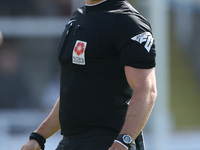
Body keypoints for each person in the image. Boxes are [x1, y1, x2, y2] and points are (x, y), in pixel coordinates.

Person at [21, 0, 157, 150]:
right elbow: (73, 92)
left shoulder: (128, 22)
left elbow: (146, 89)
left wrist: (123, 141)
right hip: (71, 141)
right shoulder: (78, 16)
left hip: (108, 140)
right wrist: (39, 137)